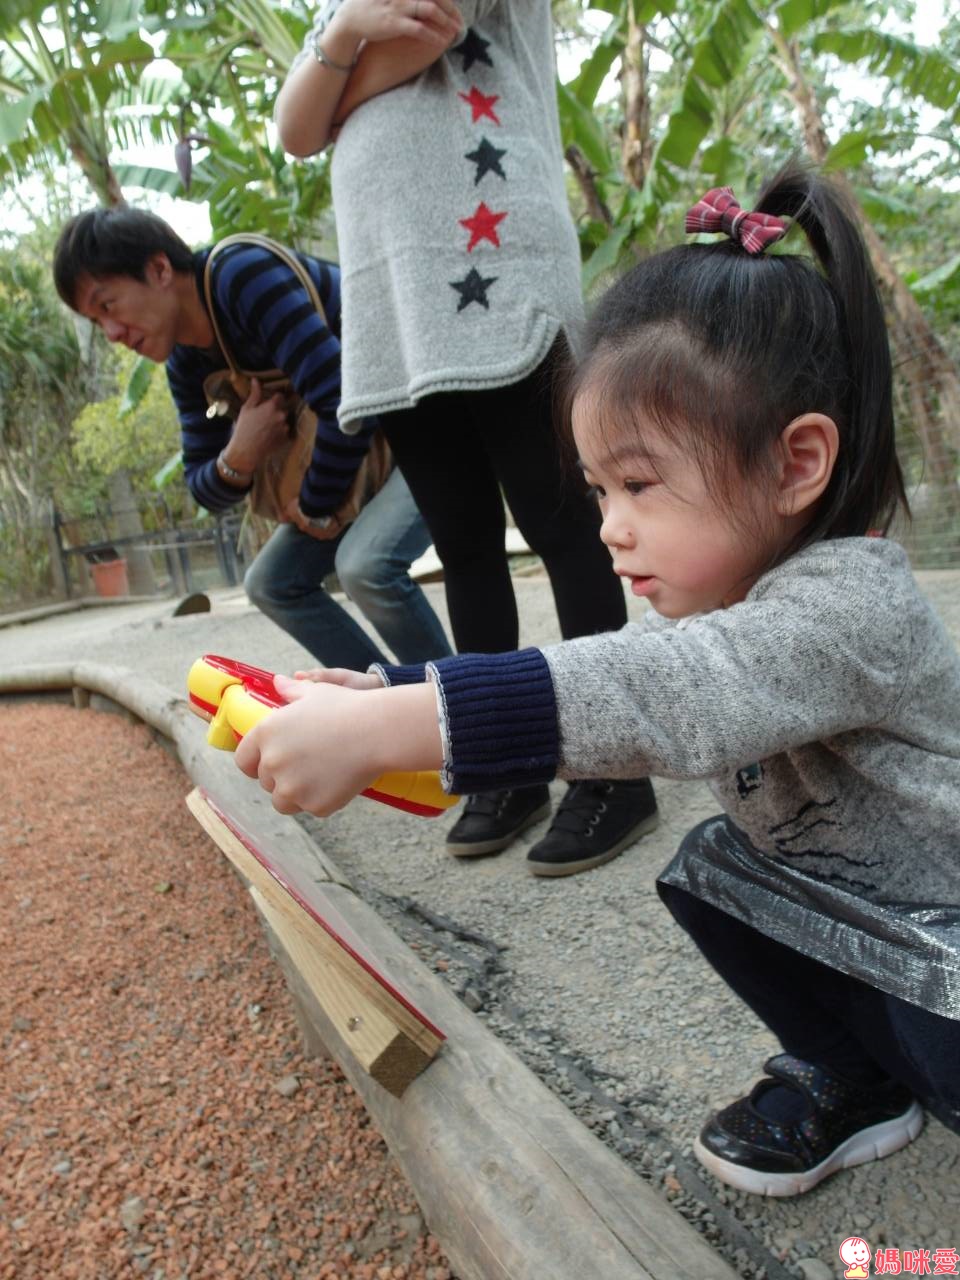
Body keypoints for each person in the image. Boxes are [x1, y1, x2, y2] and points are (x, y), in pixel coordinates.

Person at [233, 163, 960, 1196]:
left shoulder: (849, 608)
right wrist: (389, 691)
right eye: (598, 489)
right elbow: (615, 672)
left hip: (944, 946)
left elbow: (666, 690)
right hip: (874, 929)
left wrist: (405, 725)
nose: (610, 526)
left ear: (796, 463)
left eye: (640, 483)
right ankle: (857, 1078)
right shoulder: (730, 601)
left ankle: (889, 1065)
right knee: (709, 867)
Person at [273, 0, 659, 876]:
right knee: (462, 544)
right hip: (397, 292)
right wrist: (344, 33)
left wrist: (333, 72)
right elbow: (295, 133)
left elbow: (429, 35)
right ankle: (506, 761)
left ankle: (617, 769)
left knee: (563, 524)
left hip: (493, 258)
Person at [52, 206, 451, 670]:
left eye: (107, 306)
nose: (111, 333)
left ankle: (458, 701)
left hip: (426, 424)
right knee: (271, 583)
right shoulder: (186, 362)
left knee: (366, 567)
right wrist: (240, 454)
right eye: (96, 322)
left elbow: (343, 401)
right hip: (359, 461)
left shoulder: (240, 275)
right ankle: (383, 698)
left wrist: (314, 505)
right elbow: (202, 487)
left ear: (159, 269)